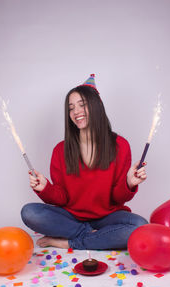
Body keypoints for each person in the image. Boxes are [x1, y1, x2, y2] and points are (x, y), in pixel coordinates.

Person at [21, 74, 148, 250]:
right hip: (72, 216)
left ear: (97, 107)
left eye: (82, 105)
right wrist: (45, 188)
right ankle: (95, 236)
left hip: (108, 217)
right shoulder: (60, 150)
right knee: (30, 212)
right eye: (71, 108)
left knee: (140, 226)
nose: (76, 112)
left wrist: (129, 183)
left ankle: (70, 241)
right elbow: (62, 198)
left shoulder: (120, 145)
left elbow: (118, 198)